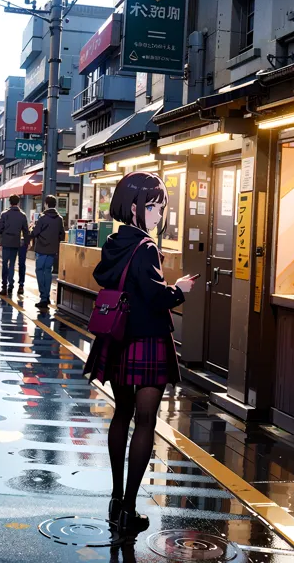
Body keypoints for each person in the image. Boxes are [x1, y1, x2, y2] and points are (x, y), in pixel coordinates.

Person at [83, 171, 196, 535]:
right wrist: (179, 290)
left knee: (122, 414)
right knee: (145, 422)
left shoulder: (115, 242)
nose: (158, 214)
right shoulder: (146, 247)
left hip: (117, 340)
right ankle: (128, 509)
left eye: (161, 207)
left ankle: (116, 499)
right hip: (146, 341)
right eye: (153, 206)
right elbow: (156, 296)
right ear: (134, 207)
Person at [29, 195, 66, 309]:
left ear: (46, 204)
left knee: (40, 272)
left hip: (41, 250)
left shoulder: (42, 217)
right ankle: (47, 296)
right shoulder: (59, 218)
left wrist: (31, 230)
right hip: (52, 250)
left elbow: (35, 233)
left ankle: (44, 298)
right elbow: (62, 235)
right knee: (48, 272)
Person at [0, 194, 29, 296]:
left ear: (9, 202)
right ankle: (11, 284)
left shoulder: (4, 214)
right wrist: (27, 243)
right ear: (18, 203)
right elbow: (26, 231)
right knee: (12, 264)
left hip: (6, 242)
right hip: (16, 242)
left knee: (4, 264)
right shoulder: (22, 215)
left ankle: (4, 286)